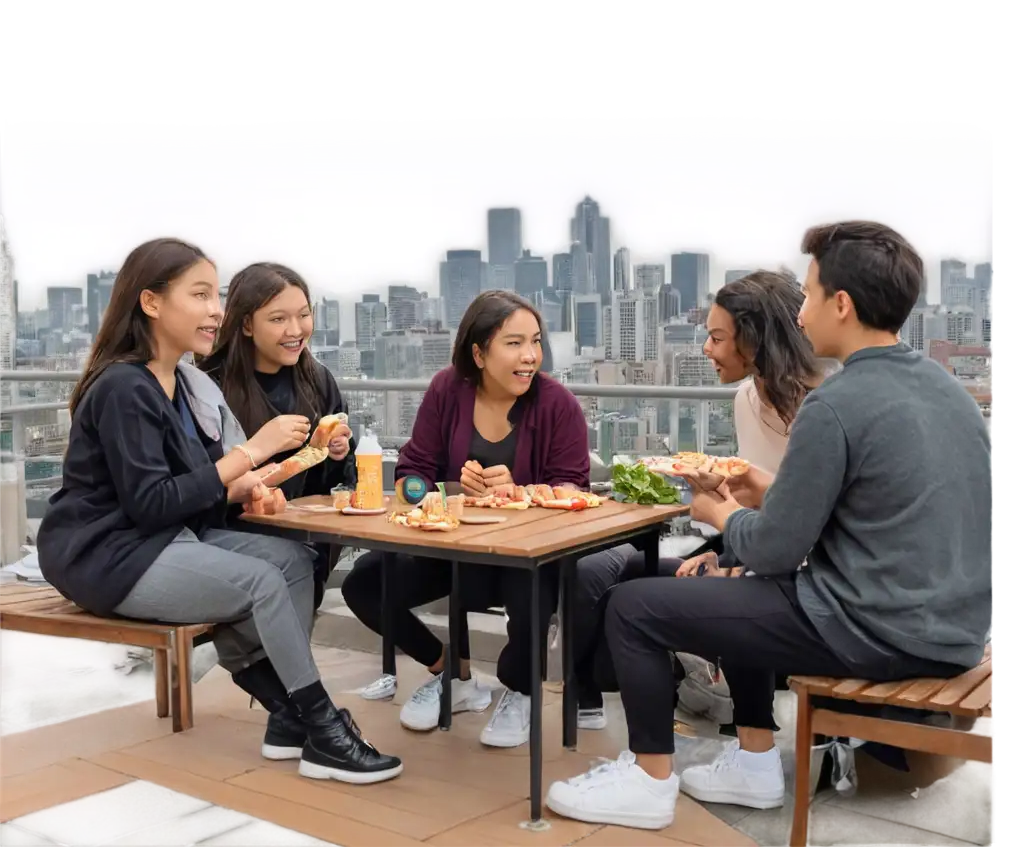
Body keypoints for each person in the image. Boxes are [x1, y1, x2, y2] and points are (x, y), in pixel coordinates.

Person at [546, 220, 991, 830]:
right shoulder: (949, 392)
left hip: (874, 629)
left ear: (842, 303)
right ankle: (754, 768)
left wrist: (718, 512)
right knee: (740, 593)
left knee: (632, 606)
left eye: (809, 295)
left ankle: (647, 782)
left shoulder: (835, 404)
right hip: (948, 630)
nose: (801, 313)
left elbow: (777, 550)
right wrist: (767, 489)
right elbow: (879, 509)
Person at [36, 238, 402, 785]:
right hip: (106, 554)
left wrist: (251, 486)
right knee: (259, 581)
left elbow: (201, 485)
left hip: (162, 537)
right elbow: (152, 502)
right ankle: (323, 728)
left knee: (293, 561)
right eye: (200, 294)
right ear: (152, 303)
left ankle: (285, 718)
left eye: (217, 296)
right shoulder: (122, 387)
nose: (215, 310)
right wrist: (252, 452)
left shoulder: (185, 384)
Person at [572, 269, 823, 730]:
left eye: (717, 337)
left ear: (755, 338)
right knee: (616, 572)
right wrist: (720, 554)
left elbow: (810, 525)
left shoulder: (824, 409)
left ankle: (750, 738)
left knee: (653, 600)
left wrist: (736, 560)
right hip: (758, 551)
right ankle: (587, 698)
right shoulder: (748, 399)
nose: (706, 349)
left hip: (804, 578)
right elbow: (757, 506)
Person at [342, 290, 590, 747]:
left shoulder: (558, 405)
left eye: (534, 342)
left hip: (525, 557)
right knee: (364, 582)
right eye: (513, 343)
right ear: (478, 353)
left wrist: (519, 490)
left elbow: (574, 489)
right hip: (452, 552)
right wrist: (446, 490)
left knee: (529, 585)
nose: (530, 356)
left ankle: (520, 690)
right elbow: (412, 474)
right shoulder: (447, 390)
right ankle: (451, 673)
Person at [198, 262, 356, 610]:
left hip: (305, 533)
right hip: (232, 535)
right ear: (246, 324)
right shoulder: (209, 384)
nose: (296, 329)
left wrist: (337, 451)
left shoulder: (317, 379)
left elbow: (338, 481)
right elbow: (202, 479)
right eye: (278, 319)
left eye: (303, 315)